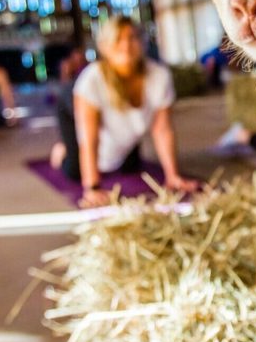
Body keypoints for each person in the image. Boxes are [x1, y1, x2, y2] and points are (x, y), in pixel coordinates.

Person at [50, 16, 199, 208]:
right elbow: (90, 139)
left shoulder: (159, 76)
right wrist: (93, 187)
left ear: (142, 42)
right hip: (71, 106)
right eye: (118, 39)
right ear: (104, 46)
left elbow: (162, 130)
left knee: (129, 165)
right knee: (74, 170)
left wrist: (173, 176)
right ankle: (62, 150)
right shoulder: (91, 80)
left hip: (125, 122)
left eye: (132, 37)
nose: (126, 45)